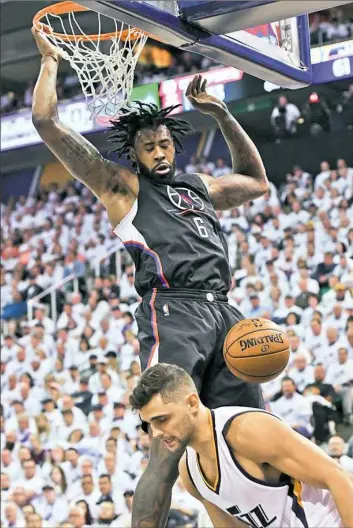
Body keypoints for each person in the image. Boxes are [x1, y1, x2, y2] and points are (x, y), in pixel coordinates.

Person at [31, 26, 268, 526]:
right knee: (169, 444)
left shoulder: (197, 185)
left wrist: (222, 114)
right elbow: (46, 121)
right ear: (134, 152)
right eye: (149, 146)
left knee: (251, 437)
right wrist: (51, 63)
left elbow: (255, 181)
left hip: (224, 312)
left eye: (164, 143)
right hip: (172, 312)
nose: (160, 152)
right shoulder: (121, 187)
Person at [131, 364, 353, 528]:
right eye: (150, 424)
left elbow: (337, 477)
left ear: (192, 403)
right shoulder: (190, 473)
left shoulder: (247, 430)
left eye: (162, 419)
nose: (157, 433)